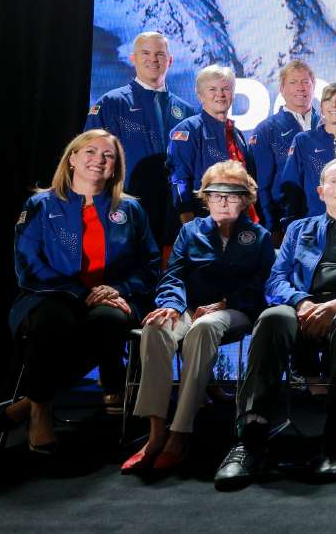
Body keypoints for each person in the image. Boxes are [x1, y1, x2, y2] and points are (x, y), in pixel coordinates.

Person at [214, 160, 336, 488]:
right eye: (334, 181)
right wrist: (303, 303)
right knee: (272, 318)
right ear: (320, 191)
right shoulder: (298, 230)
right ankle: (250, 440)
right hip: (302, 305)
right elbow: (276, 280)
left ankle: (335, 441)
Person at [0, 130, 159, 453]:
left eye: (108, 155)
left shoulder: (130, 210)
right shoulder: (41, 205)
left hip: (113, 298)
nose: (98, 159)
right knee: (51, 322)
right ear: (72, 158)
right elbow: (28, 265)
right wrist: (78, 292)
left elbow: (150, 265)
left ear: (115, 168)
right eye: (90, 151)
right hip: (50, 296)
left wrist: (118, 289)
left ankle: (35, 396)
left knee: (108, 322)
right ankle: (41, 412)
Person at [121, 161, 273, 474]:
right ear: (205, 198)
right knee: (156, 326)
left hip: (234, 311)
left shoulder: (258, 236)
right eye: (216, 194)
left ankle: (180, 432)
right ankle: (155, 432)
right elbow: (173, 275)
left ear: (246, 199)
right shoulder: (189, 231)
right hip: (188, 307)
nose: (224, 201)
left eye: (233, 194)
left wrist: (225, 302)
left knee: (205, 327)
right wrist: (172, 305)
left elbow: (264, 285)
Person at [85, 31, 195, 250]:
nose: (153, 59)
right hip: (126, 208)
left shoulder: (186, 111)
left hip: (172, 214)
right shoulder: (110, 104)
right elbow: (90, 160)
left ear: (170, 60)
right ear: (133, 58)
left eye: (159, 54)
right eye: (145, 53)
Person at [166, 65, 259, 224]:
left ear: (233, 94)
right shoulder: (187, 131)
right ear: (200, 96)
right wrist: (189, 226)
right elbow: (179, 181)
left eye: (226, 89)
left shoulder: (237, 135)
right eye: (212, 89)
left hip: (240, 224)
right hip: (203, 224)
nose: (220, 94)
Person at [250, 61, 319, 241]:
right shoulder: (266, 130)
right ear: (281, 89)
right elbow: (261, 186)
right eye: (293, 82)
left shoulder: (329, 125)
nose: (300, 88)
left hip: (326, 221)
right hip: (286, 225)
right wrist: (271, 226)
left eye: (305, 82)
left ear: (314, 85)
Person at [279, 82, 336, 226]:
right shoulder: (304, 141)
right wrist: (291, 224)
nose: (334, 106)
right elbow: (290, 186)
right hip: (314, 223)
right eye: (328, 100)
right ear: (322, 108)